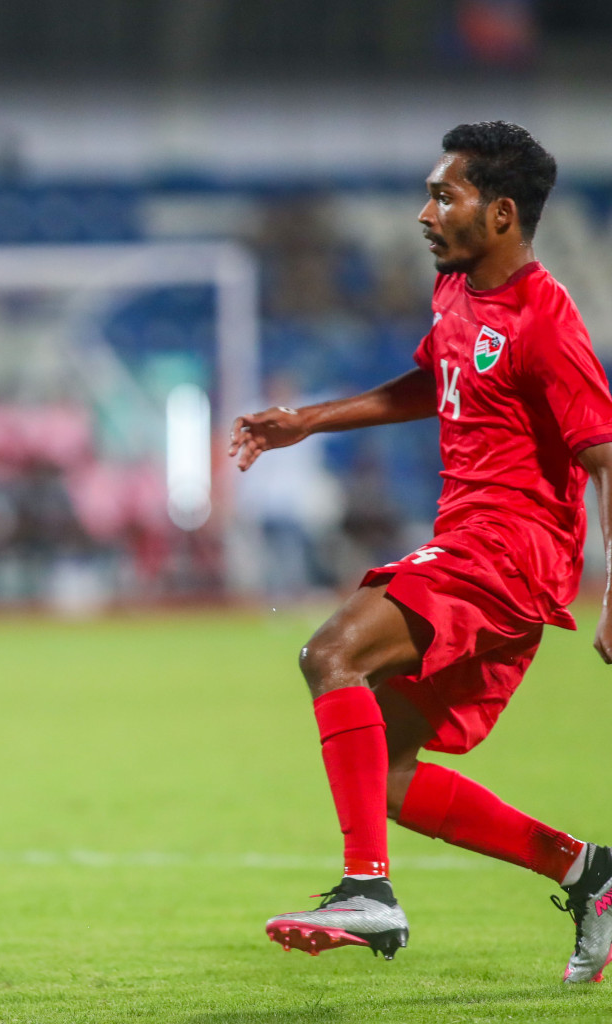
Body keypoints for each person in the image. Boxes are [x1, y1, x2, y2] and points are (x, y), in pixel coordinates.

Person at [230, 122, 612, 981]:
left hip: (509, 554)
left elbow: (604, 454)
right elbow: (428, 382)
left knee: (331, 652)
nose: (423, 213)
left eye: (445, 196)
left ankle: (368, 891)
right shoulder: (455, 292)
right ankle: (588, 870)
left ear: (502, 213)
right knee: (391, 780)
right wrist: (309, 420)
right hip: (469, 546)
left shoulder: (545, 318)